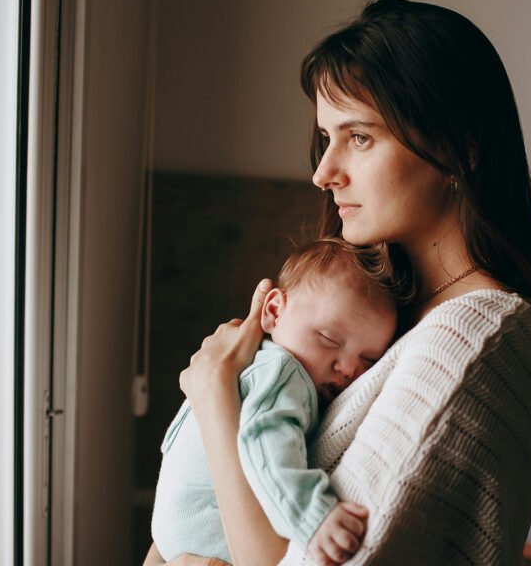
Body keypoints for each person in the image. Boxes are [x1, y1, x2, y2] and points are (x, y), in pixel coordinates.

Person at [179, 0, 531, 566]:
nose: (323, 173)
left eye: (358, 137)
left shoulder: (479, 340)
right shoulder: (381, 312)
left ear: (461, 147)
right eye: (326, 137)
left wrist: (212, 396)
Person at [144, 238, 400, 566]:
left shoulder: (254, 364)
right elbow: (267, 445)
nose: (349, 369)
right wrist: (314, 516)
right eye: (329, 339)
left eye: (369, 358)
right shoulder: (283, 370)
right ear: (274, 311)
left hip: (175, 539)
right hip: (210, 540)